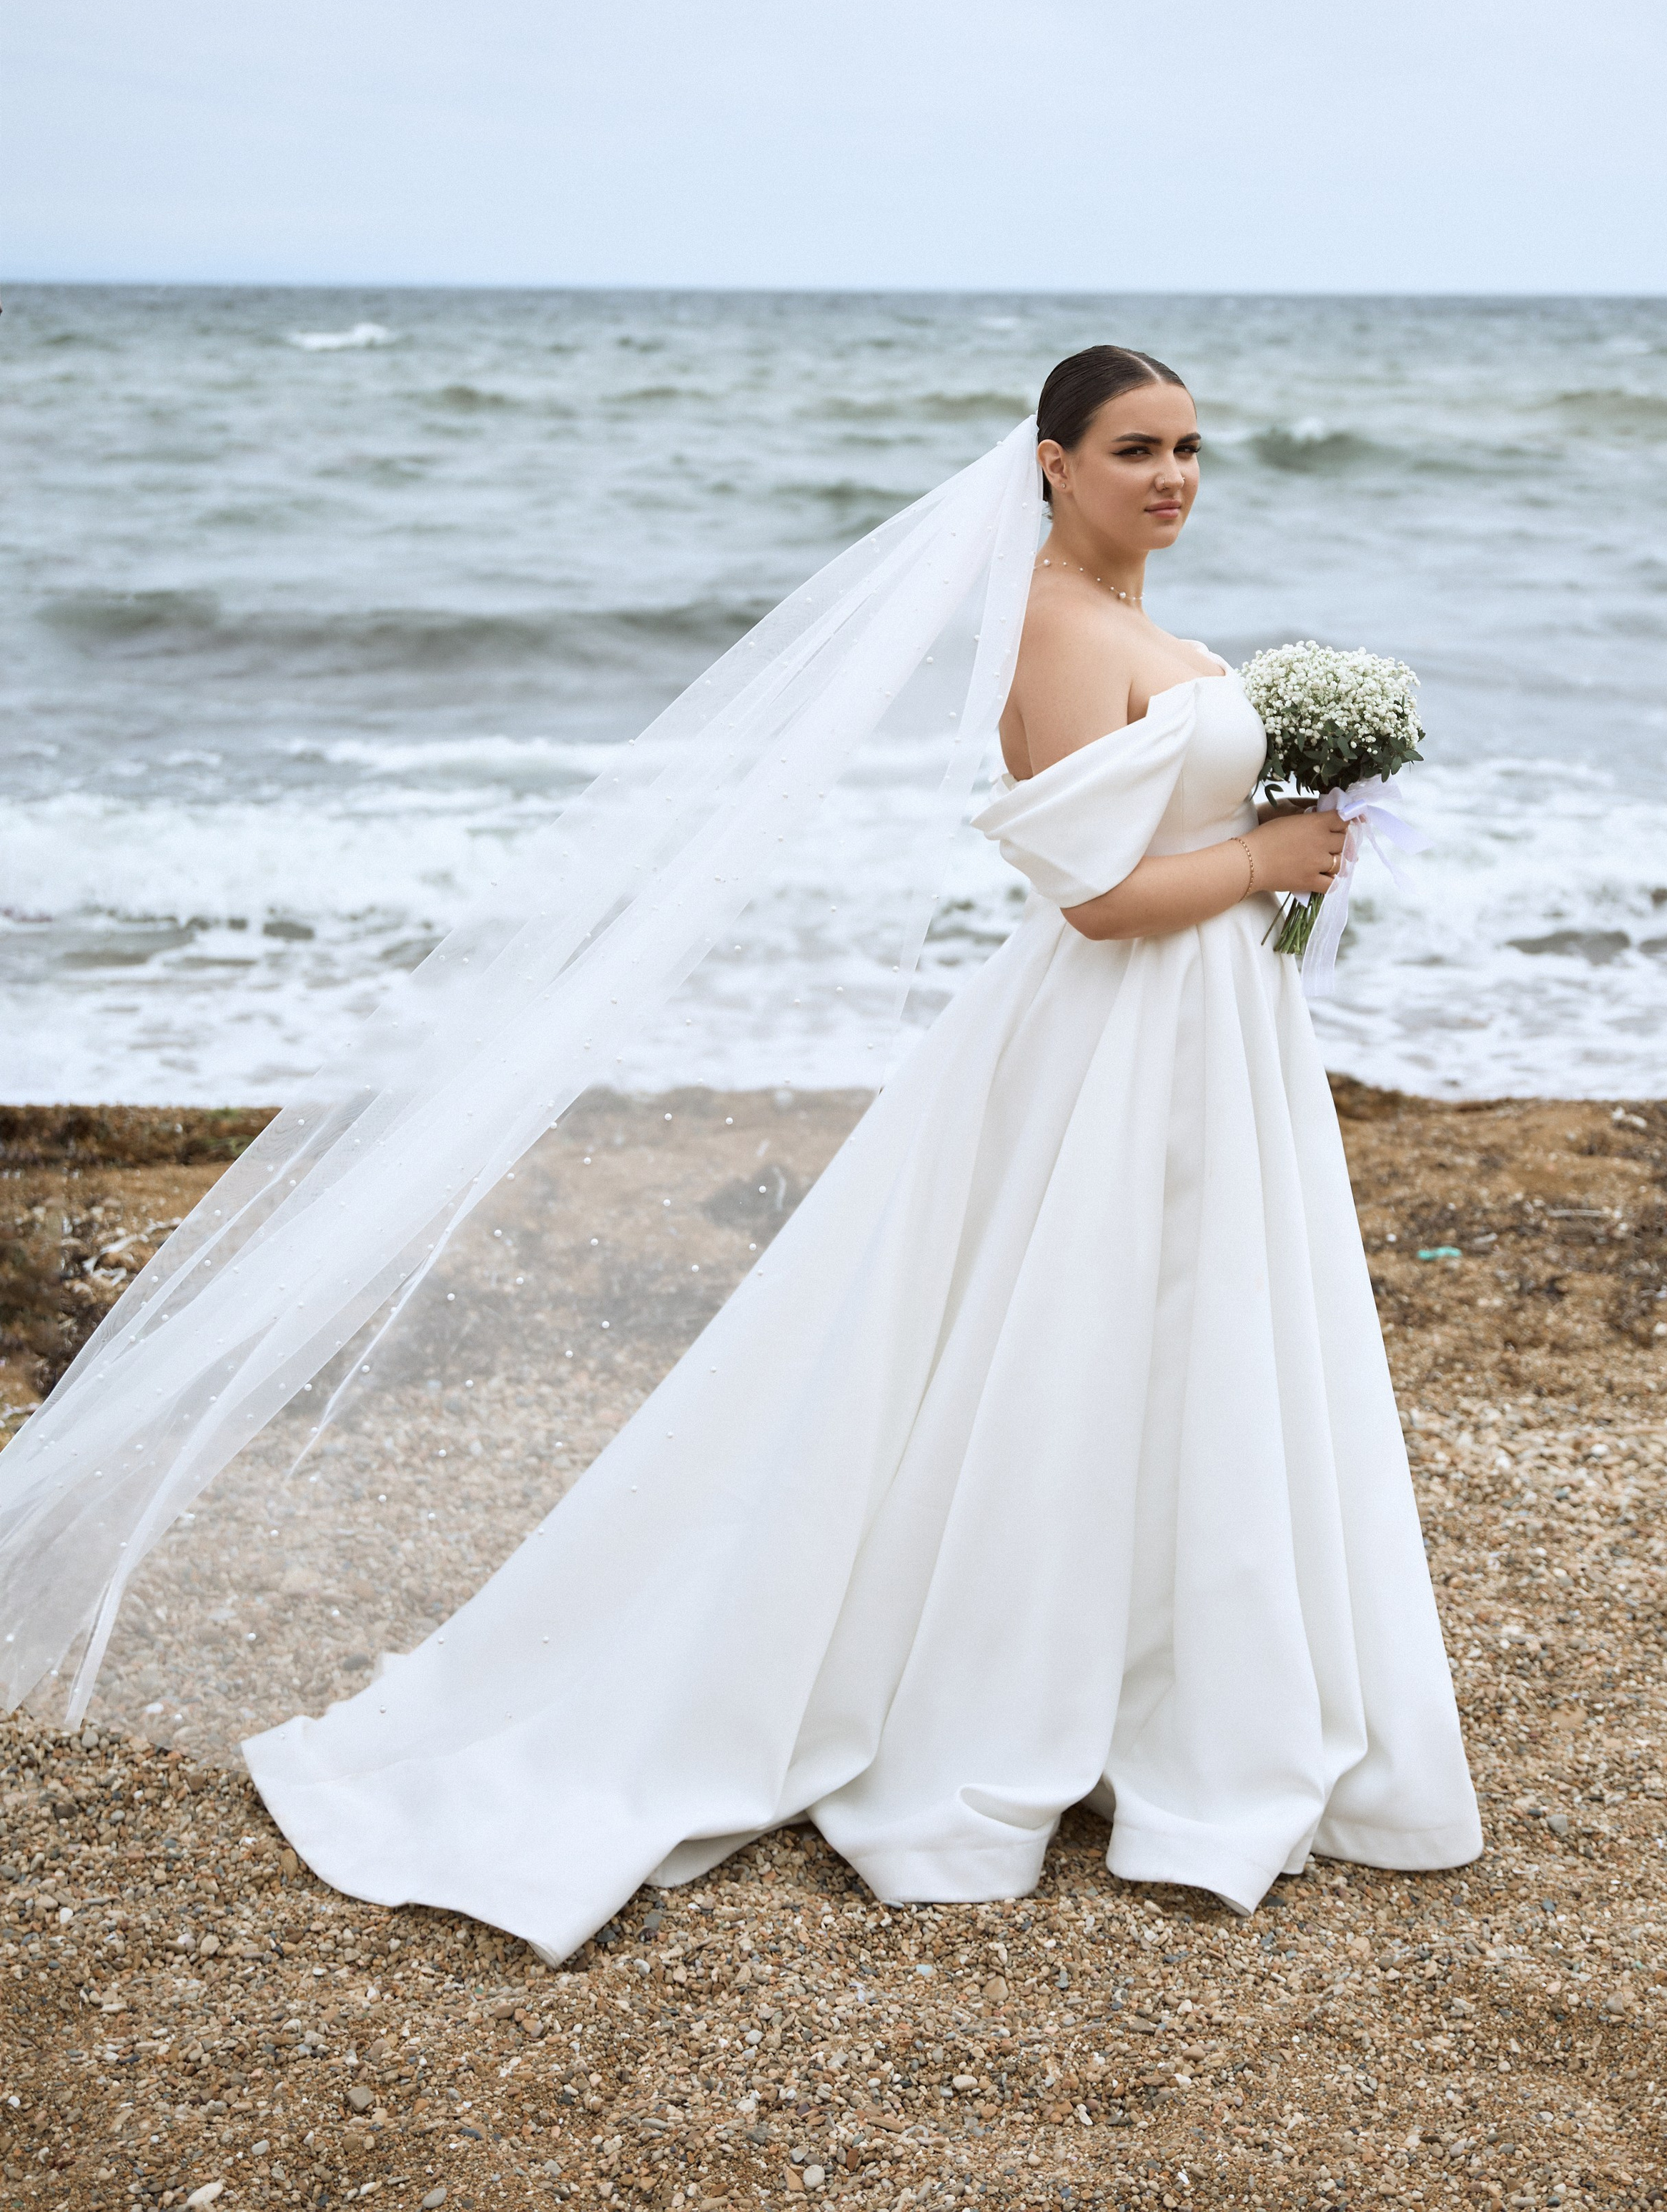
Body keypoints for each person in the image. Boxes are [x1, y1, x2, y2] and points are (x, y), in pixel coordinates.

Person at [237, 347, 1481, 1958]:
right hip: (1112, 1037)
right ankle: (1023, 1703)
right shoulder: (1051, 623)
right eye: (1131, 449)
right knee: (1074, 1345)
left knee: (1196, 1350)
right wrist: (1266, 855)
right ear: (1049, 462)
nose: (1169, 476)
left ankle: (1167, 1689)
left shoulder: (1157, 629)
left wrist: (1285, 852)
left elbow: (1179, 850)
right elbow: (1091, 894)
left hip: (1209, 1038)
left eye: (1186, 448)